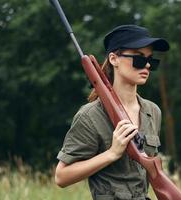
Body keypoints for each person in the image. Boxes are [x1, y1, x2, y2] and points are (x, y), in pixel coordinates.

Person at [55, 24, 170, 200]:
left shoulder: (152, 111)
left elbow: (151, 170)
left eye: (151, 60)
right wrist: (111, 154)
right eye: (139, 58)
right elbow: (61, 177)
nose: (147, 65)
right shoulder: (90, 115)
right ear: (114, 59)